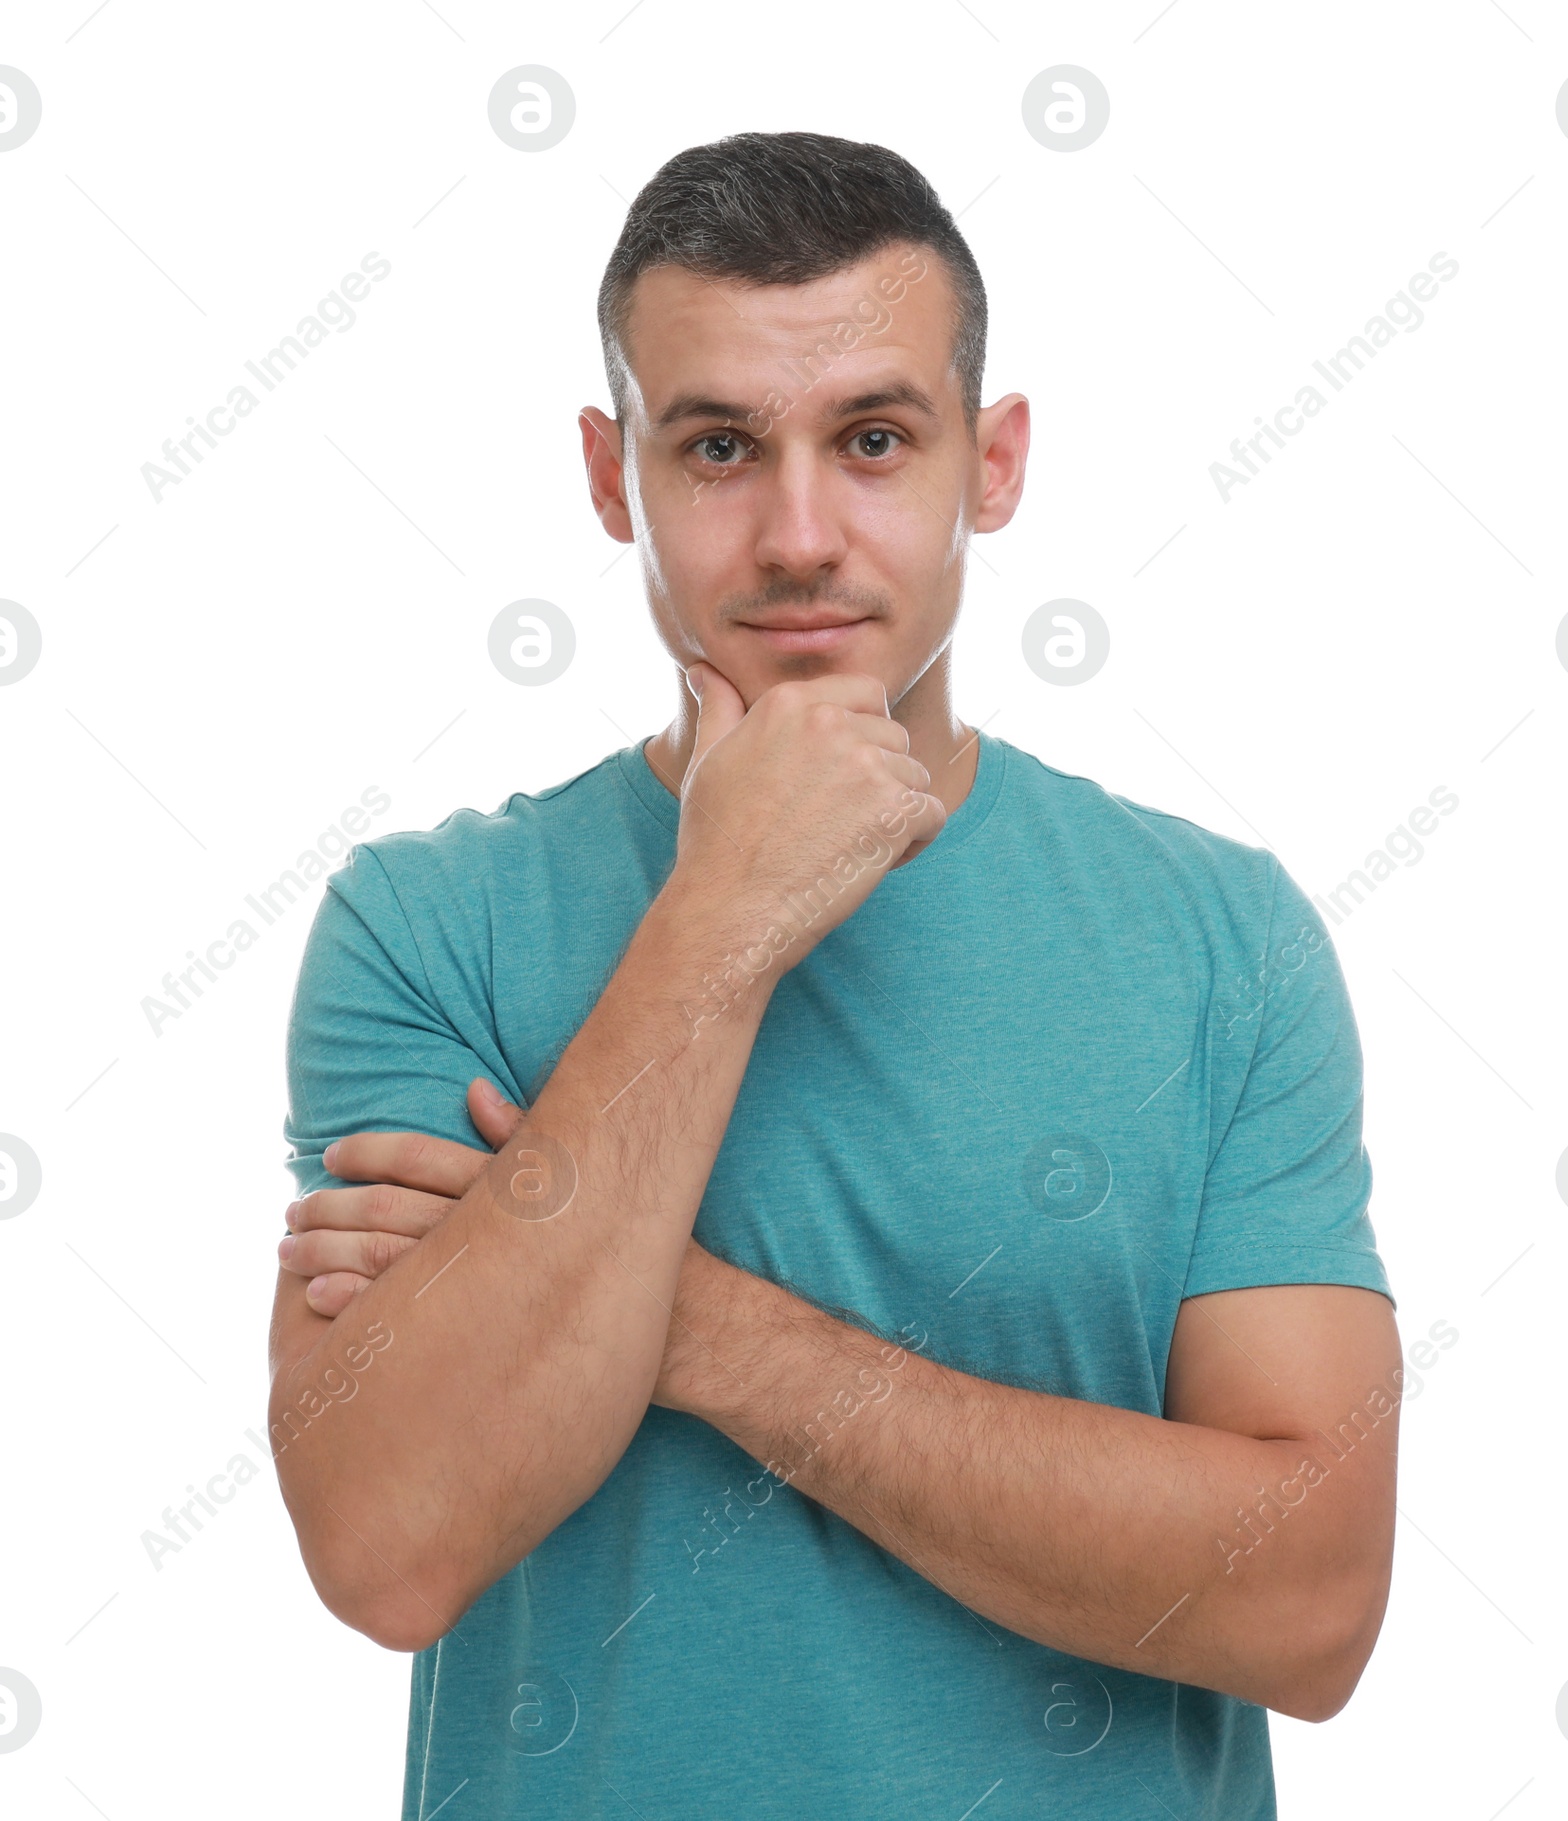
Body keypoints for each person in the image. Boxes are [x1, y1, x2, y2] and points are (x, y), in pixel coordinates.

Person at [268, 131, 1401, 1819]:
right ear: (610, 474)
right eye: (718, 445)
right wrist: (721, 916)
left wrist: (677, 1314)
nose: (801, 533)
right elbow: (389, 1542)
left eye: (874, 439)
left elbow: (1306, 1602)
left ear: (992, 462)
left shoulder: (1219, 938)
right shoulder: (430, 924)